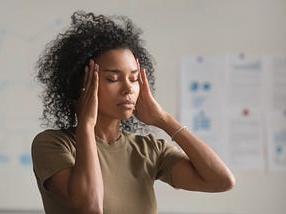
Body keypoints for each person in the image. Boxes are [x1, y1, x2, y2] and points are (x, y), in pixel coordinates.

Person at [31, 11, 235, 214]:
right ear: (80, 84)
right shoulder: (52, 144)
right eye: (113, 78)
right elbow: (90, 206)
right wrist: (86, 124)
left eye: (134, 78)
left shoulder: (148, 150)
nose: (128, 88)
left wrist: (164, 120)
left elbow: (221, 181)